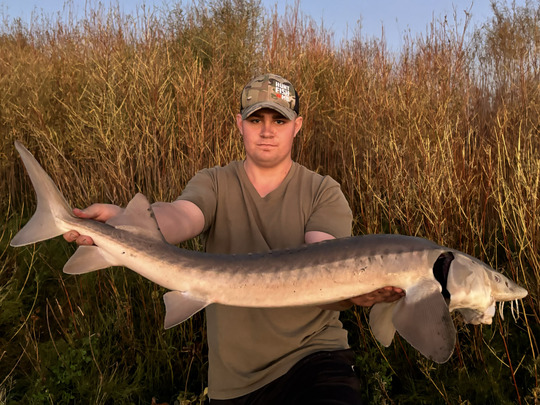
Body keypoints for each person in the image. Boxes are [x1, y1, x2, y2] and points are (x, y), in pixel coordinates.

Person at [64, 73, 404, 404]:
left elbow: (323, 262)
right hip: (233, 383)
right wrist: (127, 222)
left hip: (314, 360)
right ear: (239, 124)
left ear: (297, 126)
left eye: (279, 121)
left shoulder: (323, 191)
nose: (268, 131)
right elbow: (182, 216)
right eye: (256, 120)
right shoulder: (214, 182)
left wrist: (357, 288)